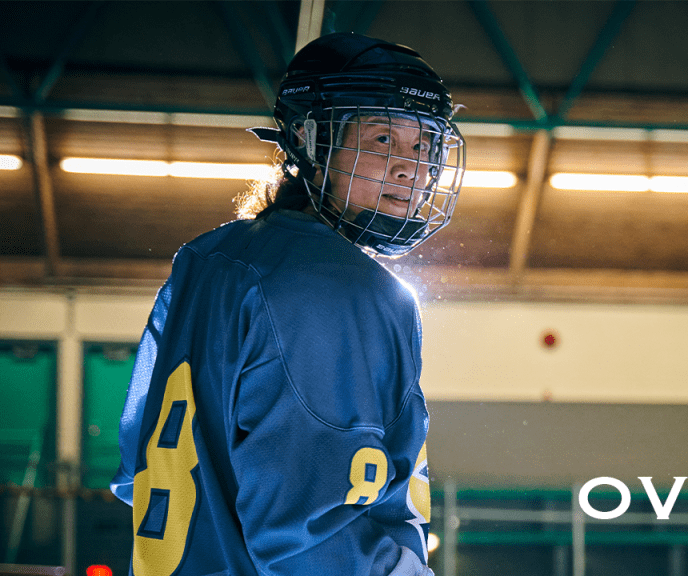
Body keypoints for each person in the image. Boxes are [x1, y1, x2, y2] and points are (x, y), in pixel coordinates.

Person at [112, 32, 465, 576]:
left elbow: (138, 463)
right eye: (381, 138)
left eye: (423, 146)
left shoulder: (207, 260)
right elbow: (311, 536)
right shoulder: (341, 287)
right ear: (310, 138)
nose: (408, 168)